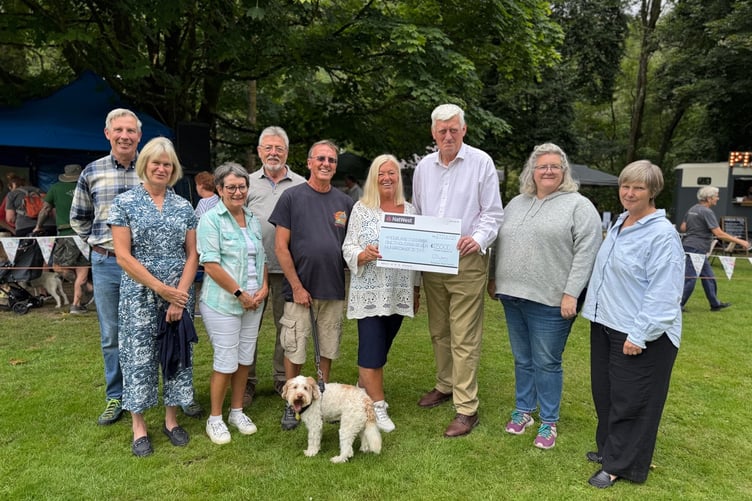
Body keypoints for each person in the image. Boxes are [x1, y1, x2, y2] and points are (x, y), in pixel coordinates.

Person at [71, 108, 203, 426]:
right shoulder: (94, 172)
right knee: (118, 338)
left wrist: (176, 292)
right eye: (119, 130)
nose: (125, 135)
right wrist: (99, 243)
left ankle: (176, 403)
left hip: (171, 279)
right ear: (108, 133)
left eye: (131, 130)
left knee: (172, 341)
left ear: (138, 136)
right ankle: (118, 398)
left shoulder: (178, 199)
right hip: (112, 262)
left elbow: (191, 250)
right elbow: (79, 217)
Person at [487, 143, 601, 449]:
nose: (548, 171)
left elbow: (586, 253)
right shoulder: (516, 203)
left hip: (551, 300)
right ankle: (524, 410)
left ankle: (549, 422)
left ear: (564, 172)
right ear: (532, 171)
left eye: (554, 166)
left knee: (547, 362)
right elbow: (499, 242)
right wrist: (493, 277)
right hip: (512, 295)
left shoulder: (579, 206)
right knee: (523, 359)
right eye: (542, 166)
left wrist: (571, 293)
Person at [581, 160, 684, 488]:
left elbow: (664, 293)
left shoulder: (662, 235)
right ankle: (610, 449)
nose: (629, 192)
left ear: (652, 191)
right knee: (606, 393)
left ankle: (619, 465)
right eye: (625, 185)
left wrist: (640, 334)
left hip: (641, 331)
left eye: (638, 187)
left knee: (632, 398)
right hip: (606, 322)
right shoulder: (621, 222)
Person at [412, 104, 504, 438]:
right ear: (433, 132)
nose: (448, 136)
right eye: (442, 131)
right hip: (433, 259)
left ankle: (467, 408)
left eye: (454, 129)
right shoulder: (423, 167)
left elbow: (493, 213)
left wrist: (477, 240)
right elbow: (419, 212)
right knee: (439, 330)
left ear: (464, 130)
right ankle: (445, 384)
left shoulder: (481, 162)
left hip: (466, 260)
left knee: (464, 334)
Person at [108, 137, 199, 457]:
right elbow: (122, 255)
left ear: (173, 169)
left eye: (167, 164)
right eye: (156, 162)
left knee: (175, 354)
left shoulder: (184, 205)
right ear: (144, 165)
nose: (161, 168)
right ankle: (139, 426)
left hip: (177, 292)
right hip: (139, 294)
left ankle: (171, 420)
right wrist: (159, 288)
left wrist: (179, 297)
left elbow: (192, 254)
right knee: (138, 356)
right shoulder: (124, 203)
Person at [269, 139, 354, 430]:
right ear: (308, 163)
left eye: (331, 160)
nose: (326, 164)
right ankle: (291, 404)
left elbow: (352, 246)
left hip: (332, 289)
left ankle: (319, 400)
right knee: (295, 348)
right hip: (299, 291)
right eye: (321, 159)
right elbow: (281, 246)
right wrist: (296, 286)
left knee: (327, 347)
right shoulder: (291, 197)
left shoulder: (344, 203)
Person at [342, 154, 420, 433]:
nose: (387, 178)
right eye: (381, 174)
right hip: (371, 291)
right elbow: (348, 247)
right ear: (373, 178)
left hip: (398, 291)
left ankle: (364, 386)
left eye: (392, 173)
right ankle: (377, 405)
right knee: (371, 350)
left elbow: (419, 254)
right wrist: (363, 254)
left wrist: (416, 288)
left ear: (398, 177)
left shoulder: (410, 210)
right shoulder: (362, 209)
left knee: (381, 347)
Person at [197, 162, 268, 444]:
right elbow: (211, 264)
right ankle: (215, 418)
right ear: (219, 189)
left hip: (254, 302)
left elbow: (260, 257)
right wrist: (241, 294)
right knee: (225, 362)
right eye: (231, 187)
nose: (237, 192)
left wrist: (263, 288)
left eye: (242, 186)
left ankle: (236, 411)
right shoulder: (211, 219)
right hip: (224, 303)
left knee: (244, 361)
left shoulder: (251, 218)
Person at [245, 126, 305, 403]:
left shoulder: (301, 184)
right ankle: (246, 381)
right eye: (268, 148)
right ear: (259, 152)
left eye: (278, 148)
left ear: (287, 152)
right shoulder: (246, 183)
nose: (273, 153)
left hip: (289, 270)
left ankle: (285, 381)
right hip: (252, 269)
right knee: (249, 327)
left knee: (288, 328)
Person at [34, 164, 94, 314]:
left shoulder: (55, 188)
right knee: (82, 270)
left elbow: (45, 209)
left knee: (58, 266)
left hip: (65, 234)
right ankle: (81, 298)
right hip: (85, 234)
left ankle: (80, 299)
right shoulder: (88, 186)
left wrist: (38, 226)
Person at [679, 186, 749, 312]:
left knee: (708, 277)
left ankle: (715, 304)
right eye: (716, 196)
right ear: (709, 198)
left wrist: (696, 228)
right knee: (690, 278)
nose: (718, 198)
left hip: (691, 246)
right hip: (696, 248)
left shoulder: (692, 209)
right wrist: (740, 241)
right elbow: (719, 233)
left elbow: (683, 227)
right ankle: (678, 305)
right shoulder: (707, 212)